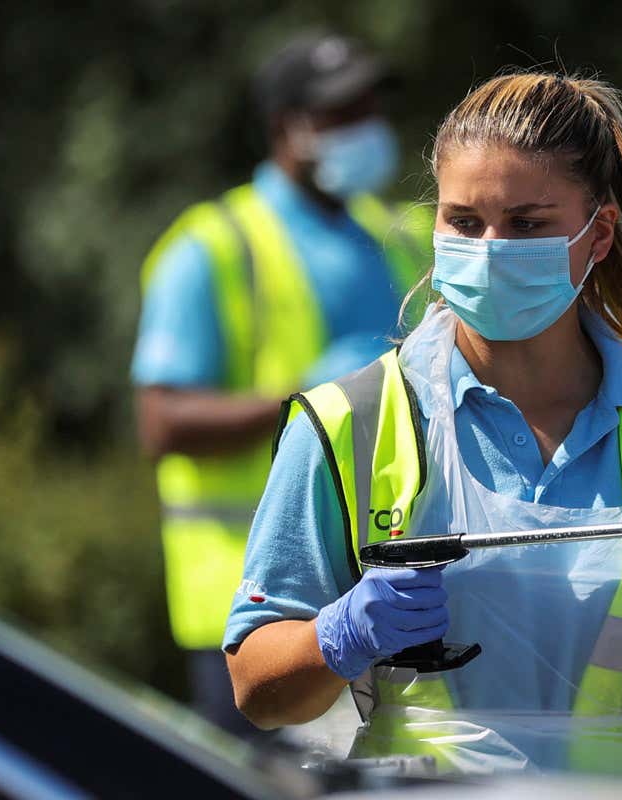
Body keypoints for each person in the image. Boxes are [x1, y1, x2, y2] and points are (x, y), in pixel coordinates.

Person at [223, 71, 622, 782]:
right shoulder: (346, 422)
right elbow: (256, 692)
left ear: (597, 233)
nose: (487, 248)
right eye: (463, 221)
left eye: (527, 223)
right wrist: (339, 635)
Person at [130, 33, 430, 736]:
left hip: (393, 604)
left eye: (368, 107)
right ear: (284, 127)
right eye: (339, 112)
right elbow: (161, 423)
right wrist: (305, 401)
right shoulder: (209, 249)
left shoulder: (403, 237)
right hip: (255, 621)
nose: (365, 125)